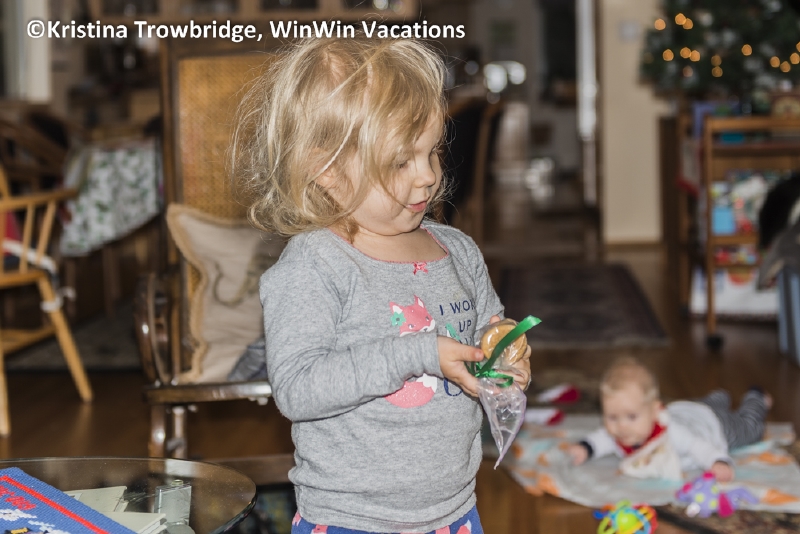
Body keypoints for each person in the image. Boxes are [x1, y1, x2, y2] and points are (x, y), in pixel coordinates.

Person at [232, 36, 531, 534]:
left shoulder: (458, 250)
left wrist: (505, 351)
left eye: (433, 151)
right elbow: (298, 388)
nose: (428, 176)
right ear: (327, 170)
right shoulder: (315, 265)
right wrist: (419, 353)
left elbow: (488, 330)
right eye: (400, 161)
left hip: (454, 511)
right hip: (353, 521)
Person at [567, 357, 771, 482]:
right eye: (612, 417)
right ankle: (719, 397)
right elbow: (601, 439)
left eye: (631, 417)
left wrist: (718, 462)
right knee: (706, 404)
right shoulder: (619, 432)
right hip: (686, 409)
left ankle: (756, 398)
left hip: (712, 425)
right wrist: (585, 448)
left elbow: (698, 446)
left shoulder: (671, 433)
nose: (621, 426)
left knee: (750, 429)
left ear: (655, 411)